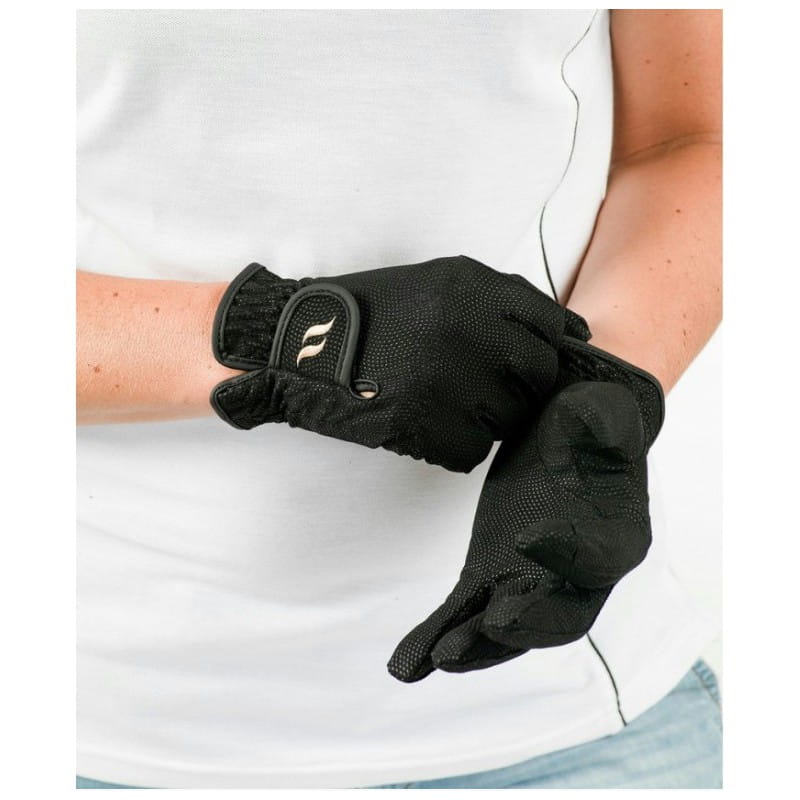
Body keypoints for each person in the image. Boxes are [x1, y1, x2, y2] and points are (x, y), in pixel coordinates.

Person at [76, 9, 722, 789]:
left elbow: (691, 139)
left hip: (570, 712)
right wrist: (287, 335)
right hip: (97, 723)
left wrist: (602, 397)